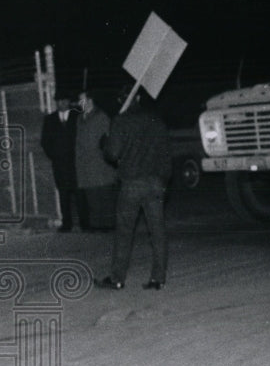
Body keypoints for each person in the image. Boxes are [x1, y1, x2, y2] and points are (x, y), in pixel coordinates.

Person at [95, 89, 173, 291]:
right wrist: (164, 181)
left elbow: (113, 153)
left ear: (123, 100)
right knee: (157, 231)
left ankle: (117, 278)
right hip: (155, 182)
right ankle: (158, 278)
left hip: (131, 183)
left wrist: (105, 142)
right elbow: (166, 153)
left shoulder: (121, 121)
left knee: (124, 232)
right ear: (138, 98)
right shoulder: (156, 120)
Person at [74, 91, 117, 230]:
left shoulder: (101, 117)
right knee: (92, 196)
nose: (80, 103)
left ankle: (108, 225)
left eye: (83, 100)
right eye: (79, 101)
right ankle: (96, 225)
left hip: (99, 164)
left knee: (104, 195)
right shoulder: (80, 119)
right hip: (85, 165)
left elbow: (107, 140)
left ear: (90, 101)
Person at [41, 90, 81, 232]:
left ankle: (84, 223)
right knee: (63, 194)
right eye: (59, 101)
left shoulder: (77, 116)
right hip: (59, 164)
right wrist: (55, 156)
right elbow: (45, 142)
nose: (61, 104)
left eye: (64, 100)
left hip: (76, 162)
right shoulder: (50, 119)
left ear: (69, 102)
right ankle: (67, 223)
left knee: (79, 193)